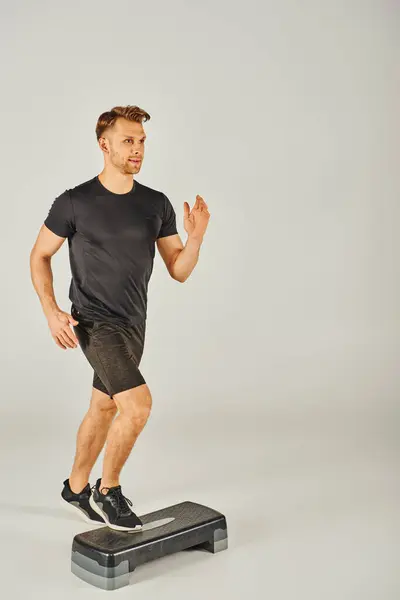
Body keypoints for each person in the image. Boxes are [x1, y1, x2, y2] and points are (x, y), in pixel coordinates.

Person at [29, 105, 211, 532]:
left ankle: (75, 487)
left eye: (142, 141)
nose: (137, 149)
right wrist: (51, 310)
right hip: (94, 323)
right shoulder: (74, 201)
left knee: (104, 405)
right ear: (104, 144)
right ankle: (107, 490)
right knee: (138, 405)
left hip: (133, 324)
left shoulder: (155, 204)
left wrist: (197, 236)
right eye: (128, 140)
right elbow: (39, 254)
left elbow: (179, 270)